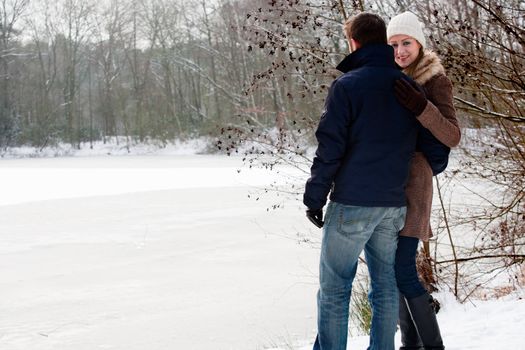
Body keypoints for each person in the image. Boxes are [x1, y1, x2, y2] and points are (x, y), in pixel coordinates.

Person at [303, 12, 419, 350]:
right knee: (385, 286)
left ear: (353, 42)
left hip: (353, 203)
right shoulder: (408, 86)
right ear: (383, 41)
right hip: (393, 205)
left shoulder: (347, 86)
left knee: (335, 289)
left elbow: (330, 147)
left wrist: (314, 197)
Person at [387, 11, 461, 350]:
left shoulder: (435, 80)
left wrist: (422, 106)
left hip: (416, 183)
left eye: (406, 43)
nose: (400, 51)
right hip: (387, 183)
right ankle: (410, 345)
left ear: (419, 43)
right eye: (393, 44)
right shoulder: (388, 78)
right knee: (395, 268)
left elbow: (452, 135)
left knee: (401, 265)